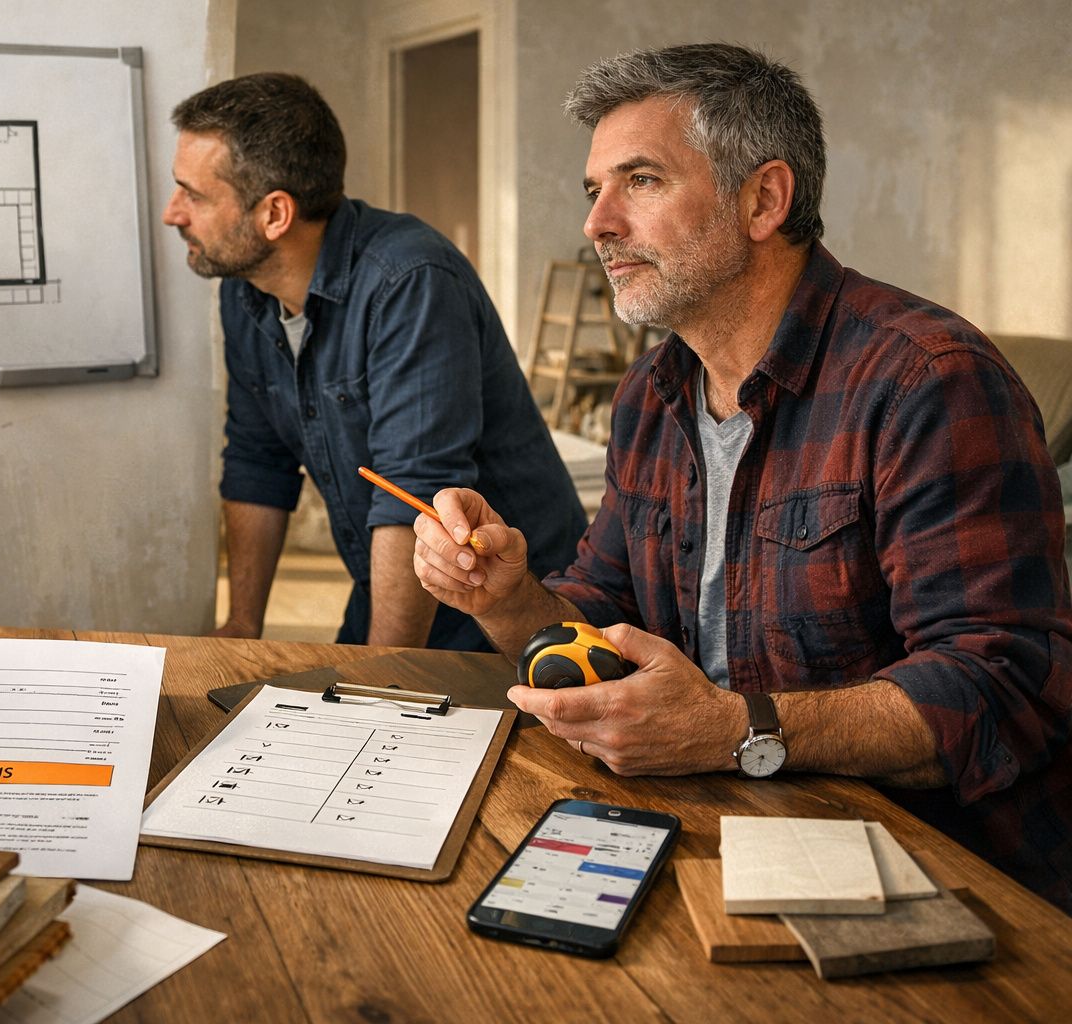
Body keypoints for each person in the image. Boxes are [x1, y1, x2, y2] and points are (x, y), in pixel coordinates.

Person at [412, 44, 1072, 911]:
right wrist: (505, 597)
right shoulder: (653, 393)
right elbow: (603, 617)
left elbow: (1002, 684)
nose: (597, 223)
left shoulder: (929, 382)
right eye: (593, 190)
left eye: (640, 181)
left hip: (939, 877)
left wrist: (734, 731)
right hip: (718, 827)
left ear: (764, 199)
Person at [162, 72, 586, 650]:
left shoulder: (411, 283)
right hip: (390, 579)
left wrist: (383, 672)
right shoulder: (247, 289)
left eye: (195, 195)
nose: (172, 213)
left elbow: (412, 490)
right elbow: (256, 462)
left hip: (511, 601)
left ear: (275, 215)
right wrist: (243, 626)